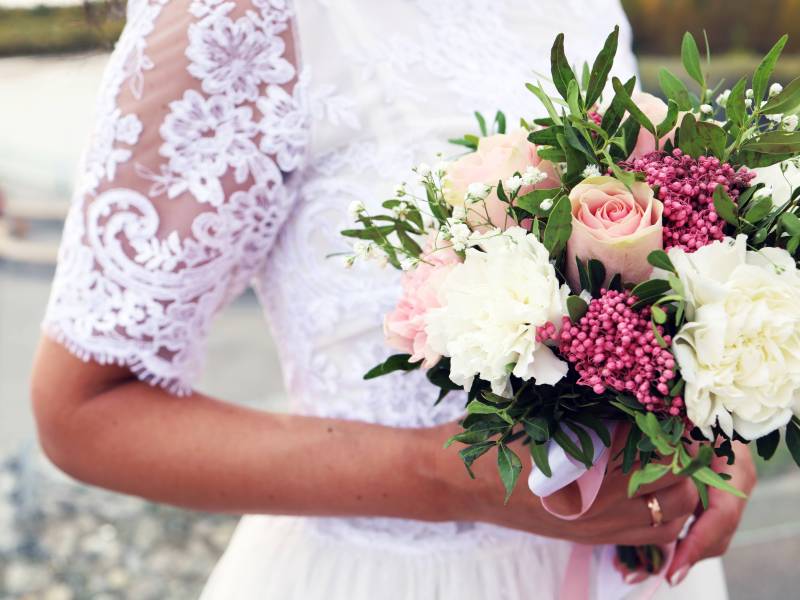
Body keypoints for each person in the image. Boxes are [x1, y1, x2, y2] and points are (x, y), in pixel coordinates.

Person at [29, 0, 755, 598]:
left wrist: (709, 434)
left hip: (640, 571)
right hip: (394, 575)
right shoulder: (239, 17)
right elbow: (85, 409)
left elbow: (654, 275)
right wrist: (450, 478)